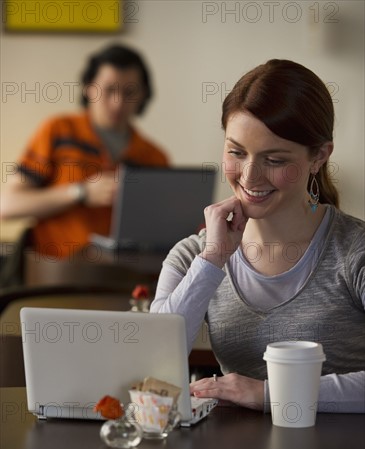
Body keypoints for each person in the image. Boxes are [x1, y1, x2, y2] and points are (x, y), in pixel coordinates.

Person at [150, 59, 365, 413]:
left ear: (319, 157)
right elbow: (152, 359)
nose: (250, 176)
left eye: (275, 160)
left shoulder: (354, 252)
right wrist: (212, 260)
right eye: (237, 152)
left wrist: (271, 394)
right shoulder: (193, 255)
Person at [0, 43, 169, 259]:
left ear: (143, 94)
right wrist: (81, 193)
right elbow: (7, 206)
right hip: (55, 273)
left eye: (129, 92)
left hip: (126, 279)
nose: (117, 103)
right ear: (88, 87)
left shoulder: (154, 156)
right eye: (108, 90)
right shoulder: (58, 131)